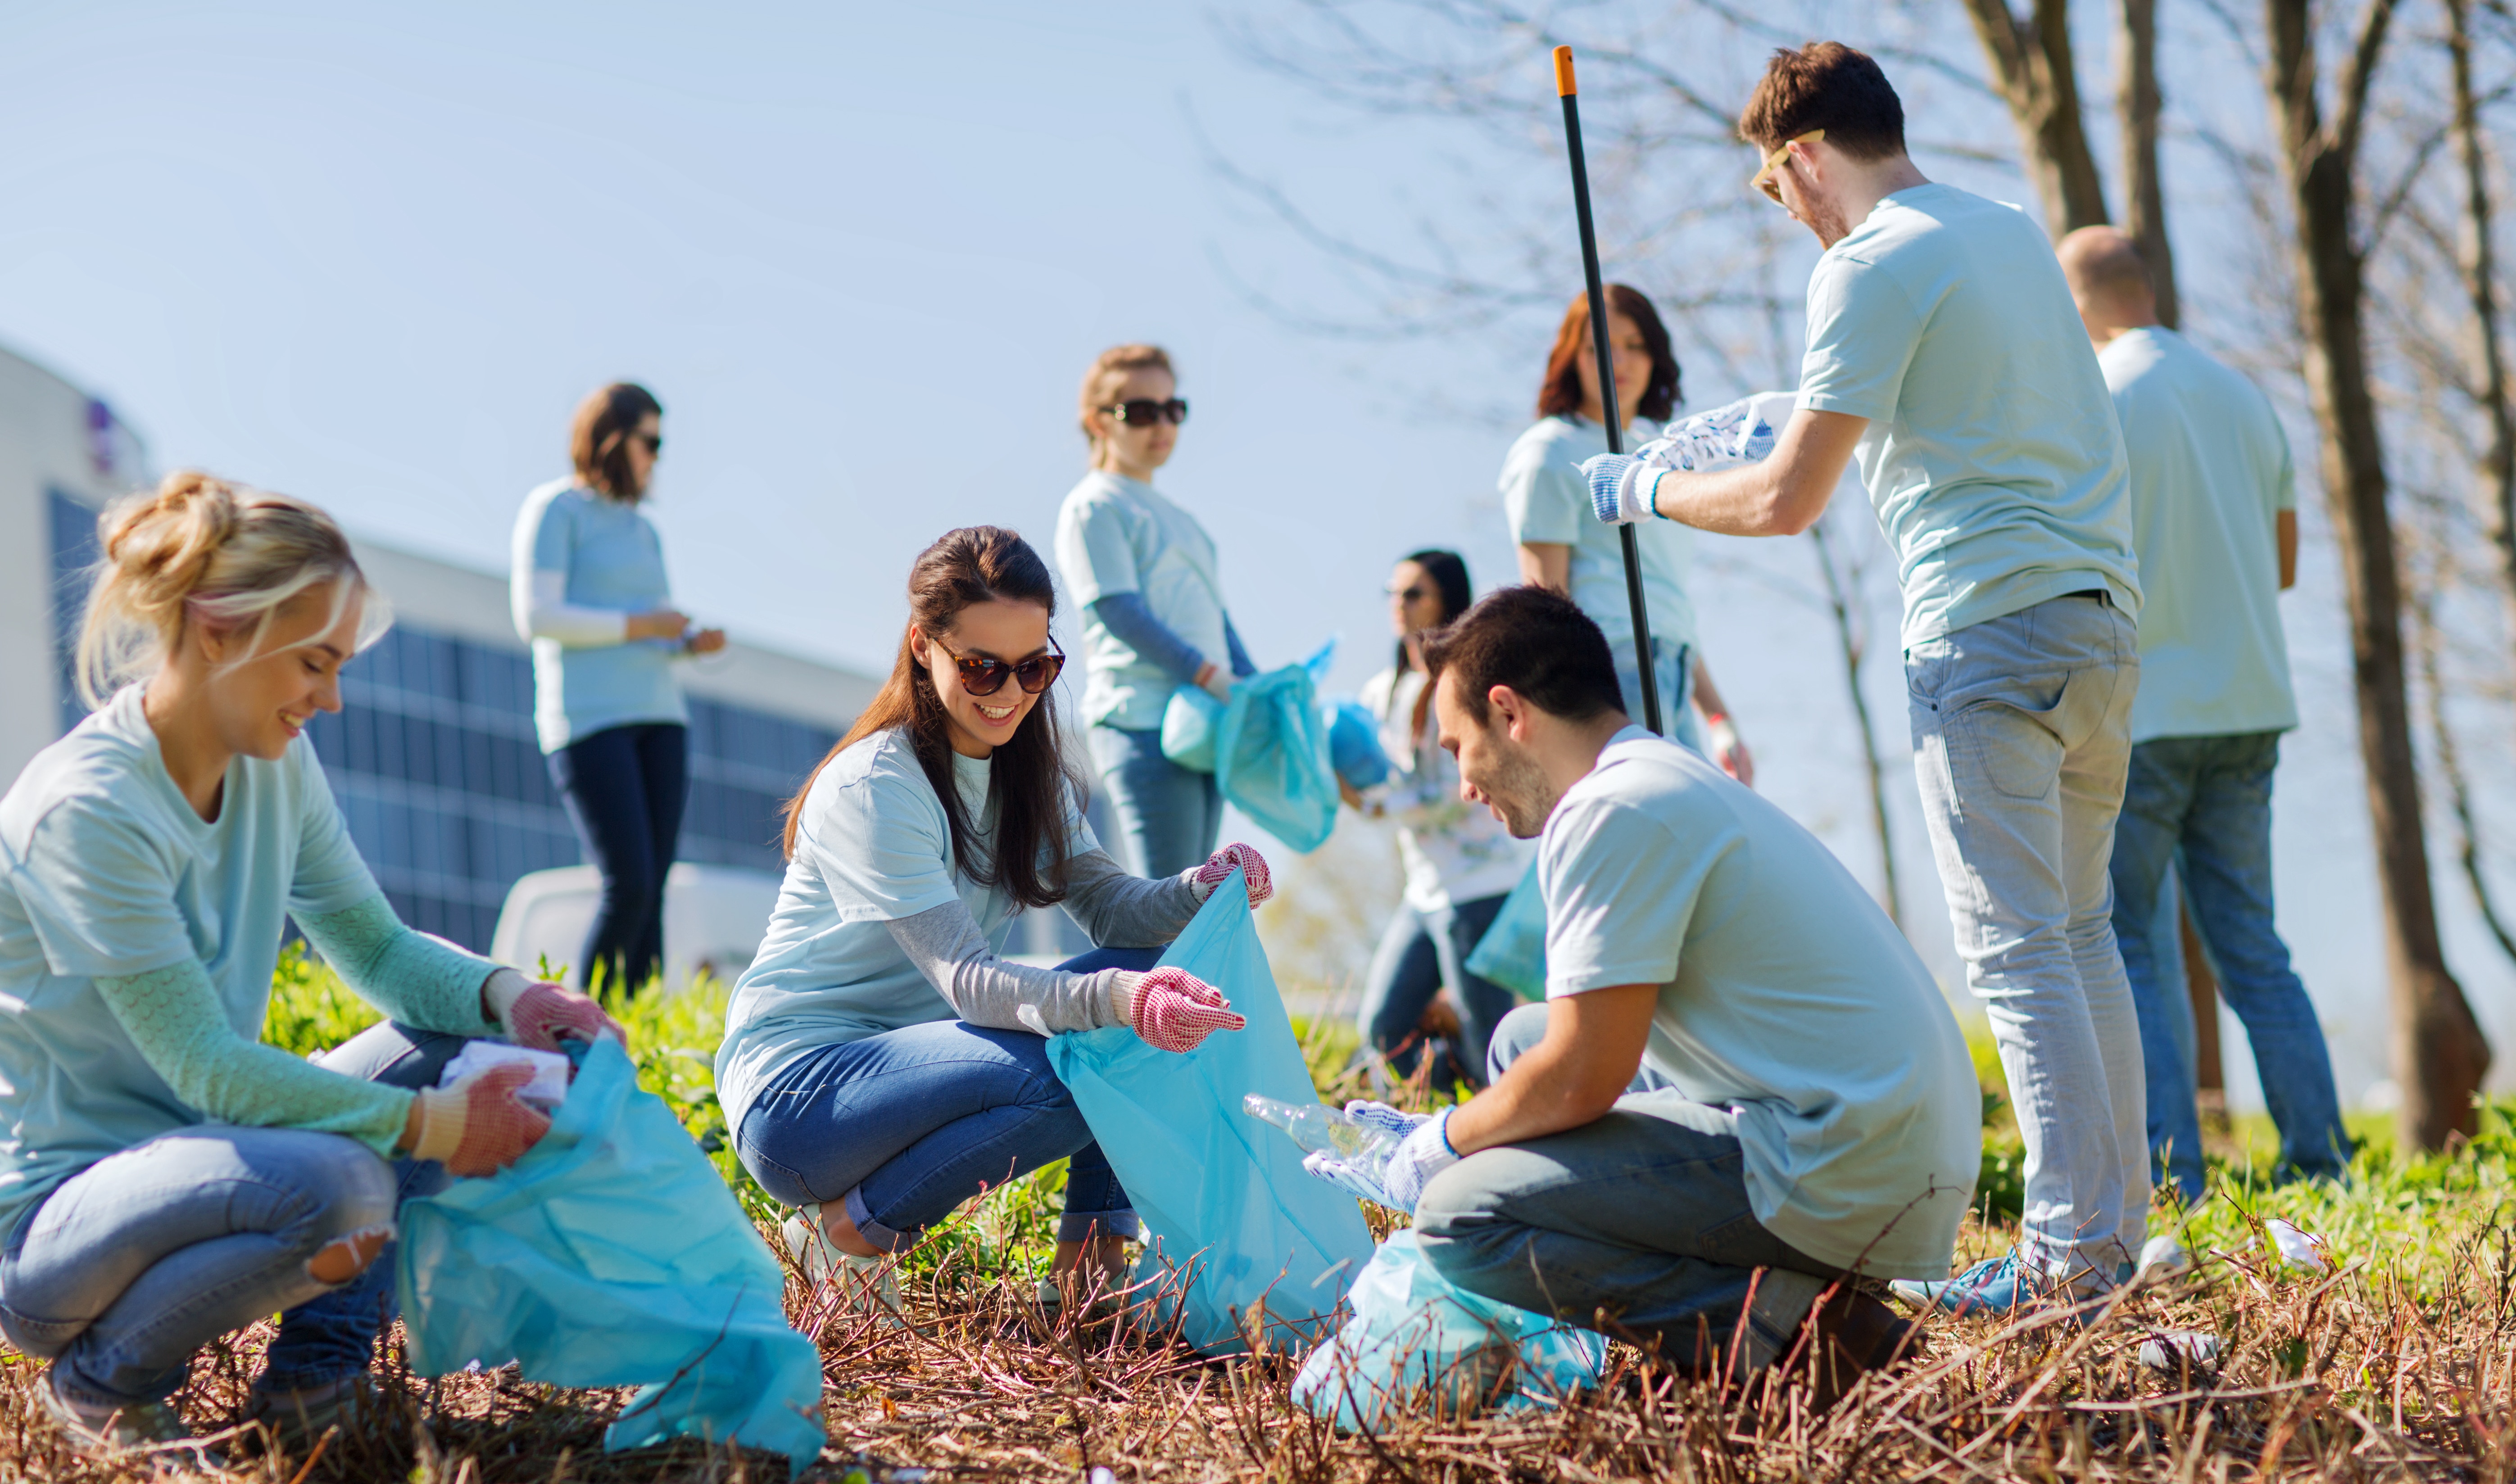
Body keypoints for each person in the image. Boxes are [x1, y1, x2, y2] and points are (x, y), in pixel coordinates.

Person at [1583, 43, 2147, 1313]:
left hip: (1982, 632)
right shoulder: (1998, 226)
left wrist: (1645, 490)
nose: (1779, 215)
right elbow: (1953, 397)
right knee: (2077, 933)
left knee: (2015, 952)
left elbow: (1787, 503)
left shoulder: (1861, 263)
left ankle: (2063, 1264)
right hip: (2097, 622)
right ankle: (2108, 1244)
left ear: (1799, 158)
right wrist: (1785, 401)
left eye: (1768, 189)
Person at [0, 473, 620, 1456]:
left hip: (215, 1150)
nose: (329, 699)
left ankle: (313, 1390)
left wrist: (516, 997)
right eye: (313, 663)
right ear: (216, 627)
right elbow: (206, 1063)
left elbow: (373, 947)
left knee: (473, 1045)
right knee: (341, 1185)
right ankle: (102, 1385)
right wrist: (437, 1125)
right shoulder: (89, 808)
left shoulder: (275, 764)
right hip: (58, 1222)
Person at [1305, 588, 1979, 1398]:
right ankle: (1772, 1303)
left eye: (1457, 747)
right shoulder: (1655, 778)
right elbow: (1560, 1055)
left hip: (1845, 1160)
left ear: (1508, 712)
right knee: (1519, 1040)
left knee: (1462, 1215)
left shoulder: (1610, 810)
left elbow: (1581, 1076)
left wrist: (1444, 1140)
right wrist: (1478, 1130)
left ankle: (1801, 1331)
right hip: (1875, 1134)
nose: (1463, 785)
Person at [715, 526, 1274, 1316]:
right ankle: (849, 1230)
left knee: (1150, 970)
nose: (1009, 692)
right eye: (980, 666)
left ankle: (1090, 1273)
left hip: (918, 1070)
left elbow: (1115, 909)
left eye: (1034, 666)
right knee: (1093, 1066)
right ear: (923, 645)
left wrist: (1198, 888)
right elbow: (969, 982)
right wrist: (1121, 1002)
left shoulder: (1027, 777)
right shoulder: (877, 785)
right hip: (801, 1100)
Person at [2056, 226, 2348, 1199]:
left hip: (2145, 711)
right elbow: (2282, 565)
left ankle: (2174, 1177)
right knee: (2251, 945)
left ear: (2083, 300)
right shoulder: (2242, 394)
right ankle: (2321, 1164)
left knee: (2127, 937)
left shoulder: (2094, 398)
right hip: (2250, 705)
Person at [512, 381, 727, 995]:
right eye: (649, 441)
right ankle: (586, 1029)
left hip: (660, 715)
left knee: (652, 886)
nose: (656, 456)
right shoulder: (555, 509)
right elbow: (538, 616)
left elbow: (654, 624)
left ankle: (640, 1032)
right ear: (612, 438)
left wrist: (685, 639)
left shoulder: (643, 530)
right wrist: (641, 624)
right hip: (588, 721)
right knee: (627, 882)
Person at [1500, 287, 1752, 776]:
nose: (1620, 361)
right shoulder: (1550, 452)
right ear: (1571, 358)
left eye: (1635, 345)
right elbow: (1545, 605)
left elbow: (1667, 605)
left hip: (1671, 669)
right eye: (1598, 347)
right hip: (1610, 671)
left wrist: (1718, 717)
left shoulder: (1660, 458)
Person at [1054, 345, 1257, 878]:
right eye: (1142, 411)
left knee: (1193, 903)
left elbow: (1217, 619)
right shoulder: (1094, 504)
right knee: (1167, 907)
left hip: (1206, 720)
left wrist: (1254, 687)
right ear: (1099, 421)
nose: (1162, 424)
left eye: (1173, 409)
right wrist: (1211, 675)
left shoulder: (1184, 519)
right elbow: (1118, 609)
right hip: (1142, 721)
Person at [1351, 549, 1534, 1091]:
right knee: (1382, 1028)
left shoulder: (1466, 682)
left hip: (1478, 885)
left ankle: (1509, 1140)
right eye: (1392, 592)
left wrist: (1377, 804)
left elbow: (1462, 786)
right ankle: (1452, 1122)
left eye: (1413, 594)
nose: (1398, 605)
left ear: (1445, 601)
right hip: (1423, 890)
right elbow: (1373, 774)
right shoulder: (1380, 689)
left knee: (1490, 1044)